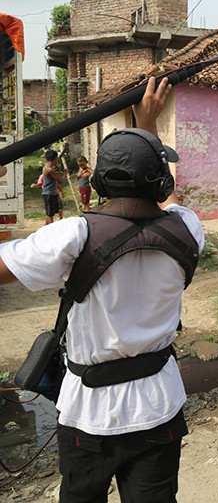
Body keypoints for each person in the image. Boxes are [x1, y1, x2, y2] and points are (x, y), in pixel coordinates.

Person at [0, 76, 204, 502]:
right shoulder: (188, 228)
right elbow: (156, 206)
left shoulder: (72, 235)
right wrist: (145, 131)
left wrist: (141, 131)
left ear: (97, 185)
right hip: (159, 408)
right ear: (162, 182)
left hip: (89, 416)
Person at [41, 150, 66, 224]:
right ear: (54, 159)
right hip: (48, 194)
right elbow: (60, 181)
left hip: (52, 193)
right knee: (50, 215)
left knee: (50, 213)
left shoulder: (49, 166)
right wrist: (65, 175)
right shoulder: (49, 169)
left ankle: (45, 230)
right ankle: (51, 231)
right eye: (57, 158)